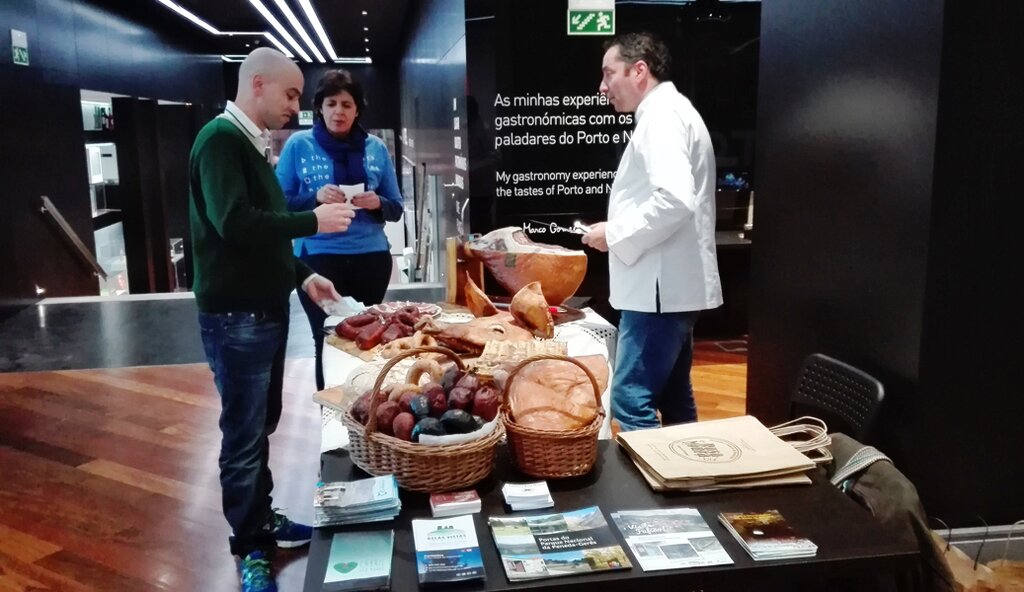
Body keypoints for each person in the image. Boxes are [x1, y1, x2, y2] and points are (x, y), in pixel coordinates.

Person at [189, 47, 355, 592]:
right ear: (257, 84)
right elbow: (235, 223)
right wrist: (313, 221)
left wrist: (302, 275)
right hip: (236, 316)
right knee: (243, 434)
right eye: (290, 94)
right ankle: (250, 546)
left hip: (261, 310)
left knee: (260, 423)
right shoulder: (220, 140)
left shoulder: (249, 143)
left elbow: (262, 230)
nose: (295, 106)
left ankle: (260, 518)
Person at [582, 32, 722, 432]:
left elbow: (675, 200)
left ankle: (652, 476)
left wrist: (614, 233)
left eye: (609, 74)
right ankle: (687, 469)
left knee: (630, 400)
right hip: (667, 288)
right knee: (675, 397)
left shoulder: (661, 118)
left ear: (639, 70)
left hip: (658, 292)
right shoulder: (671, 112)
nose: (603, 86)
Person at [276, 69, 403, 390]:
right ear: (320, 107)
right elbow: (278, 204)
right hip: (318, 260)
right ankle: (330, 415)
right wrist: (314, 197)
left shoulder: (375, 148)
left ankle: (363, 411)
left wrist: (377, 202)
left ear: (357, 109)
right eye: (331, 104)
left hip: (371, 259)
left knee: (368, 341)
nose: (338, 112)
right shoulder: (298, 145)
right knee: (328, 339)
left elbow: (396, 207)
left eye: (347, 105)